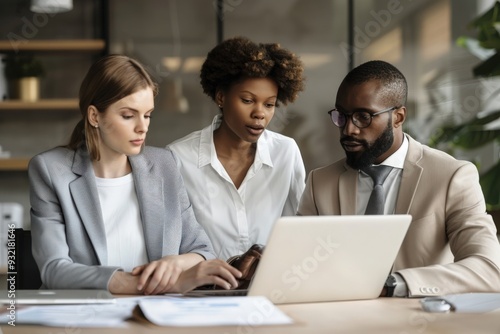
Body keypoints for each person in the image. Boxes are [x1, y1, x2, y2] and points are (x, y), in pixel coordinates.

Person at [29, 54, 241, 295]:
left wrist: (175, 264)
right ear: (94, 116)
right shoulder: (50, 170)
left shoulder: (164, 164)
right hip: (85, 320)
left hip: (156, 317)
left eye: (147, 114)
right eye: (128, 115)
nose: (143, 127)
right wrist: (152, 285)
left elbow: (201, 249)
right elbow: (55, 270)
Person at [298, 60, 500, 297]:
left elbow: (489, 269)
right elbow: (299, 263)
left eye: (363, 117)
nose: (348, 129)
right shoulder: (320, 182)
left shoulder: (451, 177)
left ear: (398, 117)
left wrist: (394, 284)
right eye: (342, 116)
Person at [167, 36, 306, 260]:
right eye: (248, 100)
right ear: (221, 97)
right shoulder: (179, 158)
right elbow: (172, 240)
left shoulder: (285, 152)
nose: (260, 113)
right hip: (202, 290)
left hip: (270, 286)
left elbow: (300, 227)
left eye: (269, 104)